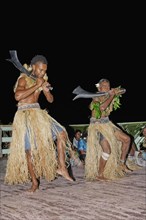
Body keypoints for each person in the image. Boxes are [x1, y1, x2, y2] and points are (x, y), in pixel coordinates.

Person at [5, 54, 74, 193]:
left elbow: (50, 100)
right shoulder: (24, 78)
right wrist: (36, 85)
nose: (42, 73)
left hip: (38, 113)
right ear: (33, 66)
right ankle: (34, 183)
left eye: (44, 70)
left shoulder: (41, 80)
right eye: (40, 70)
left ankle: (61, 166)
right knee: (29, 152)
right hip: (25, 114)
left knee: (61, 132)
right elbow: (17, 96)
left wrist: (45, 89)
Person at [85, 78, 132, 181]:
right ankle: (99, 174)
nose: (106, 88)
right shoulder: (95, 96)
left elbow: (124, 90)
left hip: (107, 124)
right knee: (107, 151)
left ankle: (121, 164)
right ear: (100, 87)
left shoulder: (109, 93)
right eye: (104, 86)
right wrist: (112, 95)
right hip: (97, 126)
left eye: (108, 86)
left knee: (127, 139)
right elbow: (102, 108)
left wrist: (116, 91)